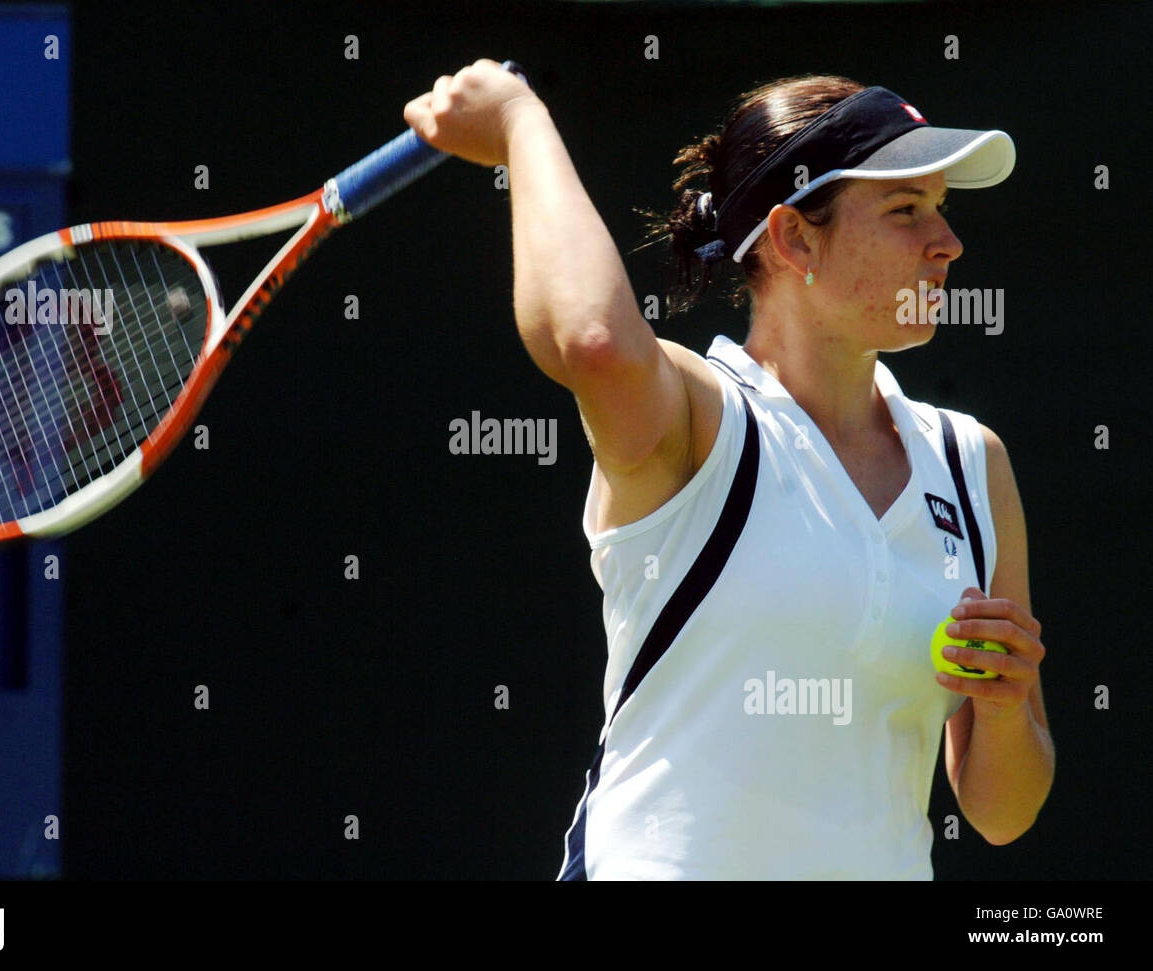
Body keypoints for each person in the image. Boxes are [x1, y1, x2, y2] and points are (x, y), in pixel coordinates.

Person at [404, 61, 1053, 879]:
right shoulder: (697, 418)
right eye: (905, 209)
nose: (948, 243)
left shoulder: (972, 463)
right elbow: (593, 341)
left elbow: (1002, 812)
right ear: (791, 238)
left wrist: (1000, 711)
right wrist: (518, 122)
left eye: (942, 210)